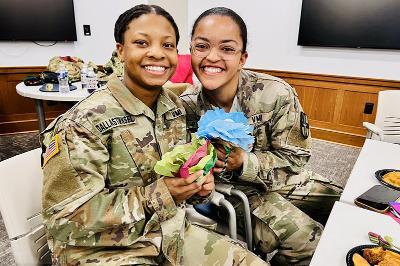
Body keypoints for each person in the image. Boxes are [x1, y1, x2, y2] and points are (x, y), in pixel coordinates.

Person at [40, 5, 267, 266]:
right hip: (101, 251)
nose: (157, 53)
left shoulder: (173, 108)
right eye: (141, 42)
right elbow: (64, 221)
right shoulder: (83, 123)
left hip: (168, 235)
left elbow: (174, 180)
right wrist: (161, 194)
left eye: (168, 45)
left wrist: (197, 188)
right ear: (121, 50)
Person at [180, 7, 343, 265]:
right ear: (191, 51)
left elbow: (296, 158)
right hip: (238, 192)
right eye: (202, 46)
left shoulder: (274, 94)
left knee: (348, 206)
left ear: (243, 57)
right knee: (308, 240)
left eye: (227, 48)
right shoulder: (186, 108)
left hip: (284, 178)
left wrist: (245, 161)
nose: (212, 57)